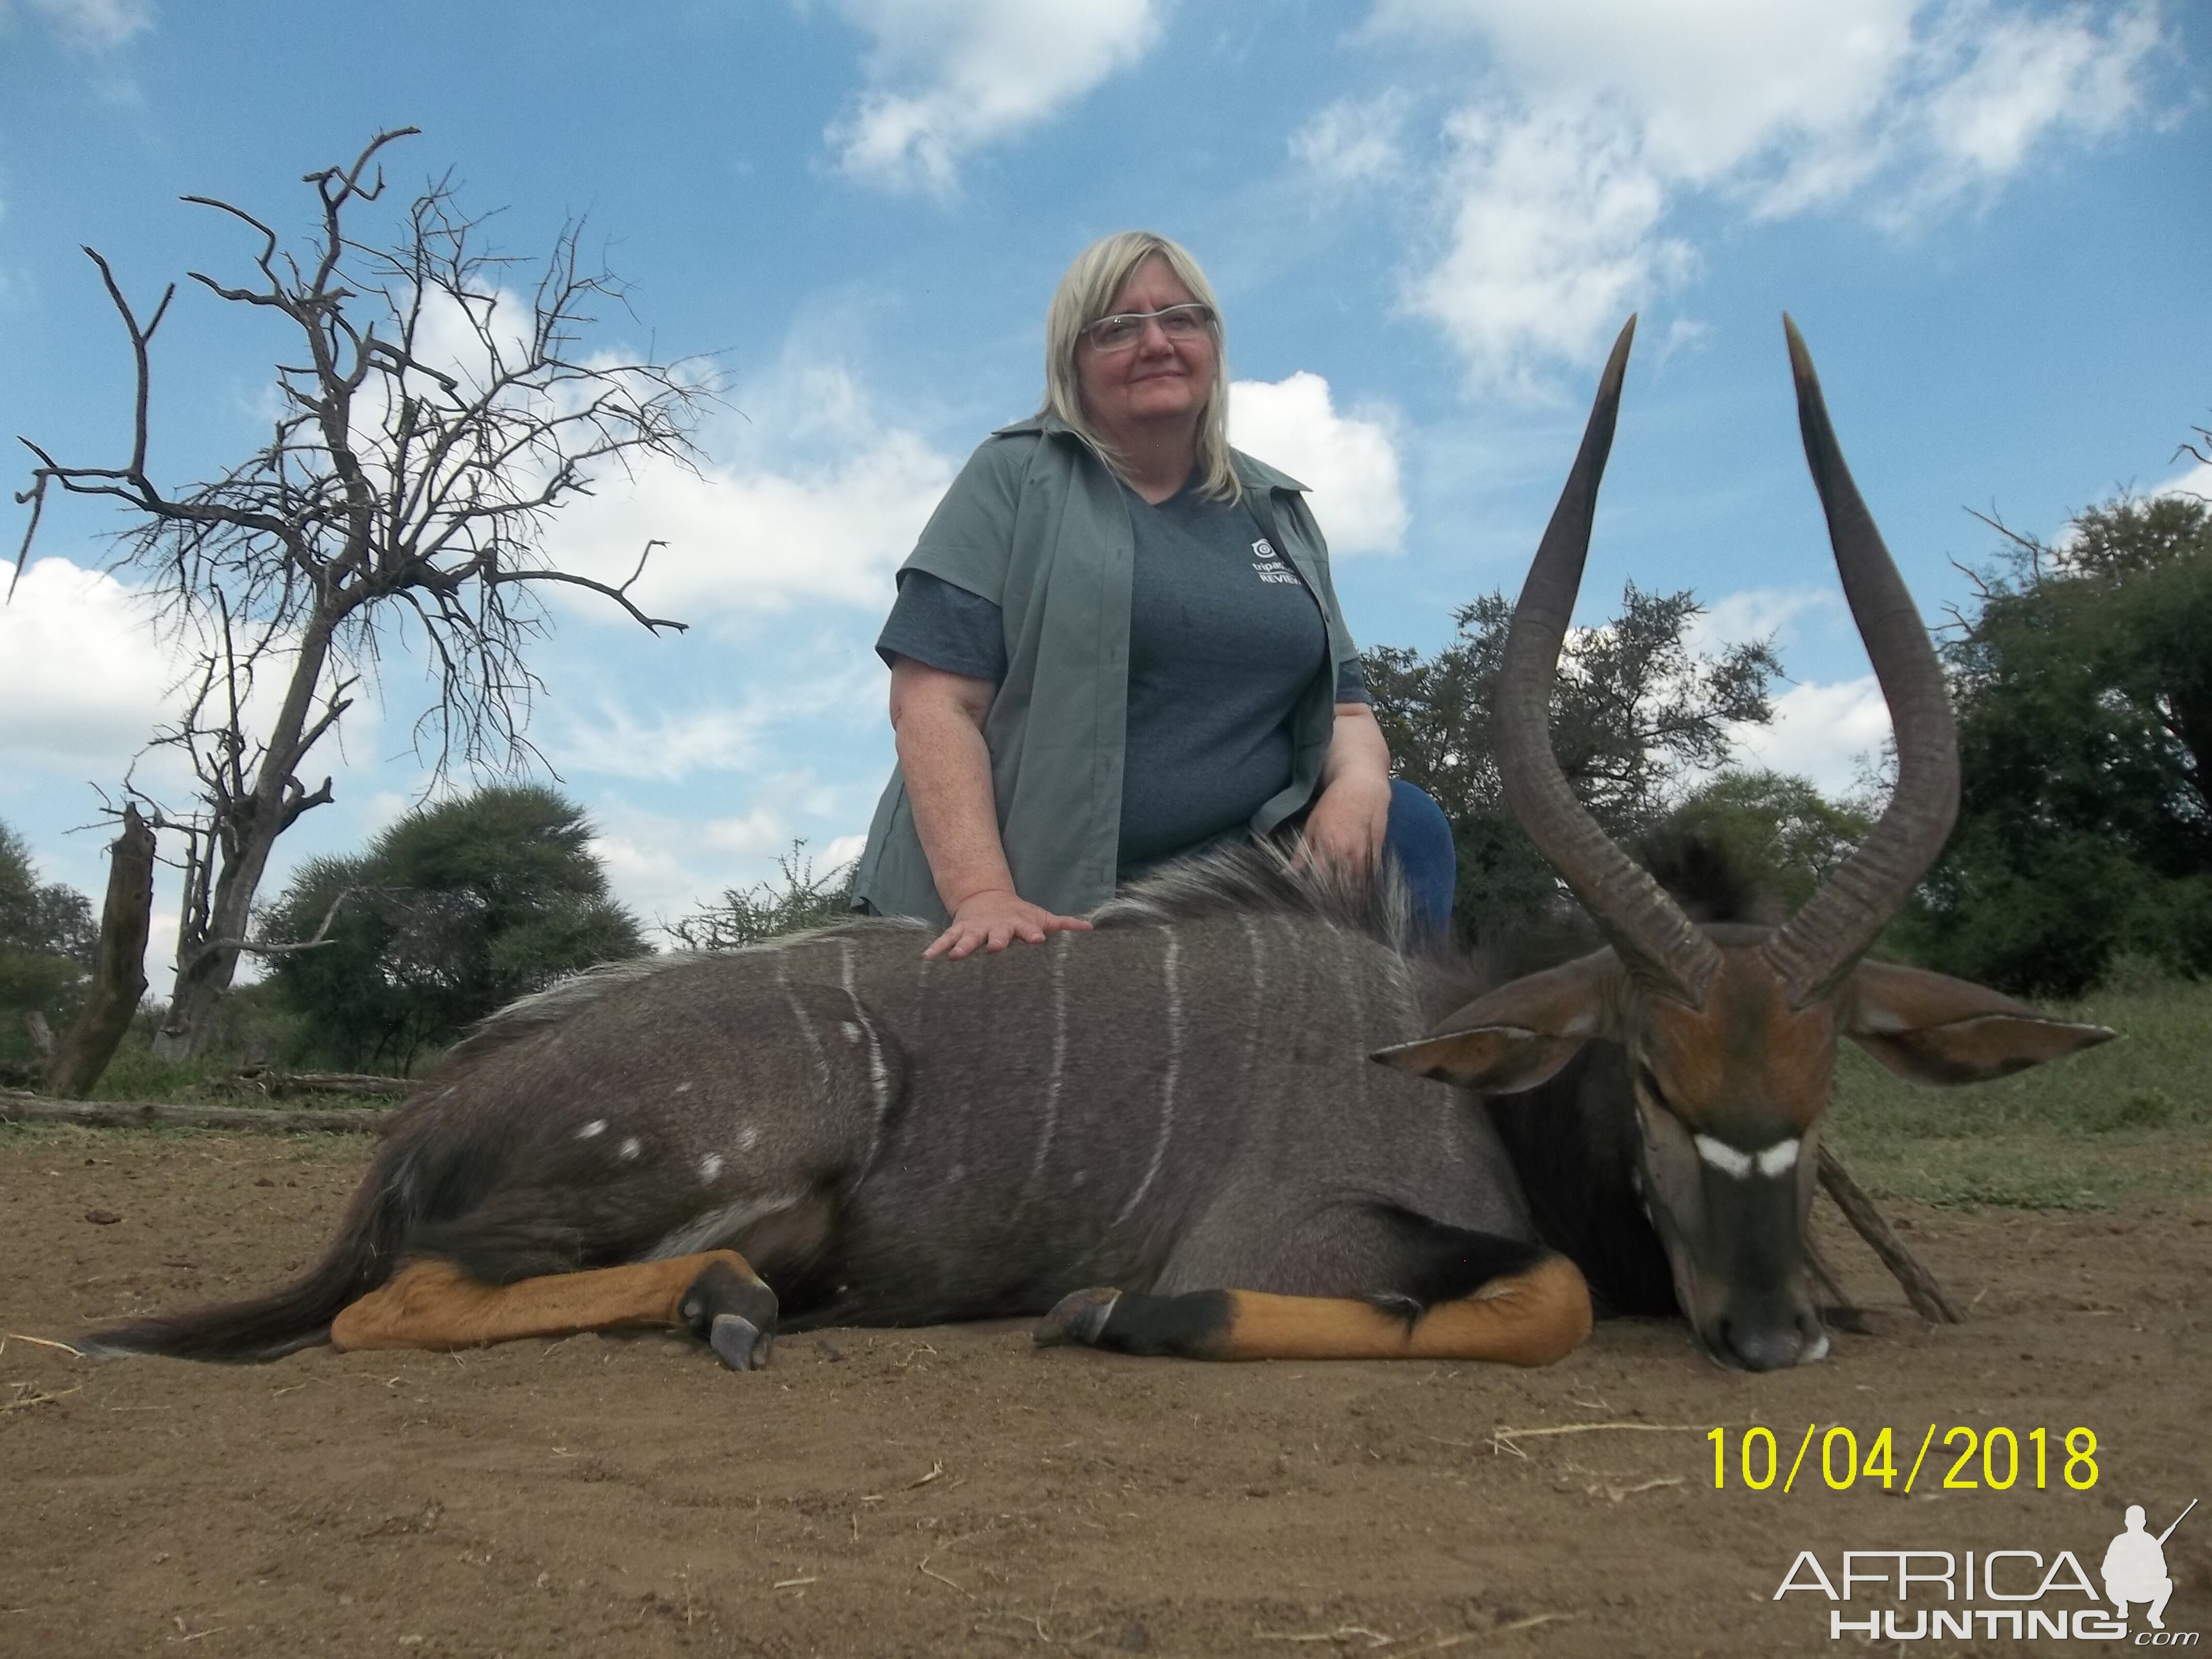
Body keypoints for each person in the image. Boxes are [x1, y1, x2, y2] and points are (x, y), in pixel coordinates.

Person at [851, 231, 1454, 958]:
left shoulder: (1280, 509)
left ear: (1212, 342)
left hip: (1231, 874)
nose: (1156, 342)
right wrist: (983, 893)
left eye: (1180, 318)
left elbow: (1347, 708)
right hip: (1048, 882)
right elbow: (933, 705)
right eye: (1117, 327)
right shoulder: (1010, 477)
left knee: (1410, 826)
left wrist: (1359, 783)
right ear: (1073, 360)